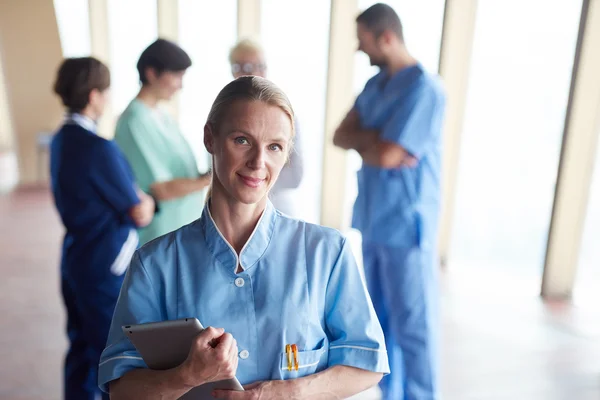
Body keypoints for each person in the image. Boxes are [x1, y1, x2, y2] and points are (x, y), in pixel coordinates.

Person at [98, 76, 389, 399]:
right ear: (210, 138)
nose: (258, 162)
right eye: (242, 140)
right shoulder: (154, 265)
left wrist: (285, 392)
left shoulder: (326, 253)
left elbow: (367, 364)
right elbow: (121, 389)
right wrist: (187, 375)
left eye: (274, 147)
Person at [333, 4, 446, 400]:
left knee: (414, 328)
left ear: (386, 37)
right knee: (380, 325)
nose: (359, 50)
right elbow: (341, 135)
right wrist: (377, 140)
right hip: (375, 222)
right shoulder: (375, 86)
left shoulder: (425, 90)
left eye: (363, 42)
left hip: (406, 225)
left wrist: (375, 142)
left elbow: (387, 155)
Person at [50, 57, 155, 400]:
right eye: (106, 92)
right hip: (103, 264)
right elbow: (137, 209)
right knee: (110, 356)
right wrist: (151, 202)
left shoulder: (60, 141)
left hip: (75, 257)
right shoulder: (99, 148)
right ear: (94, 96)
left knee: (80, 350)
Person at [115, 38, 210, 246]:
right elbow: (161, 189)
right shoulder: (135, 120)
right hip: (161, 235)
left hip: (182, 228)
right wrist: (211, 180)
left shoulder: (161, 114)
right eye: (177, 76)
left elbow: (182, 173)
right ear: (151, 73)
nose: (181, 85)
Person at [228, 38, 304, 217]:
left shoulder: (285, 114)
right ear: (234, 70)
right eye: (246, 67)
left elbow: (295, 176)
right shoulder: (222, 114)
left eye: (260, 66)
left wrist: (249, 182)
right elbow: (218, 172)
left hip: (277, 210)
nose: (255, 73)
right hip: (235, 215)